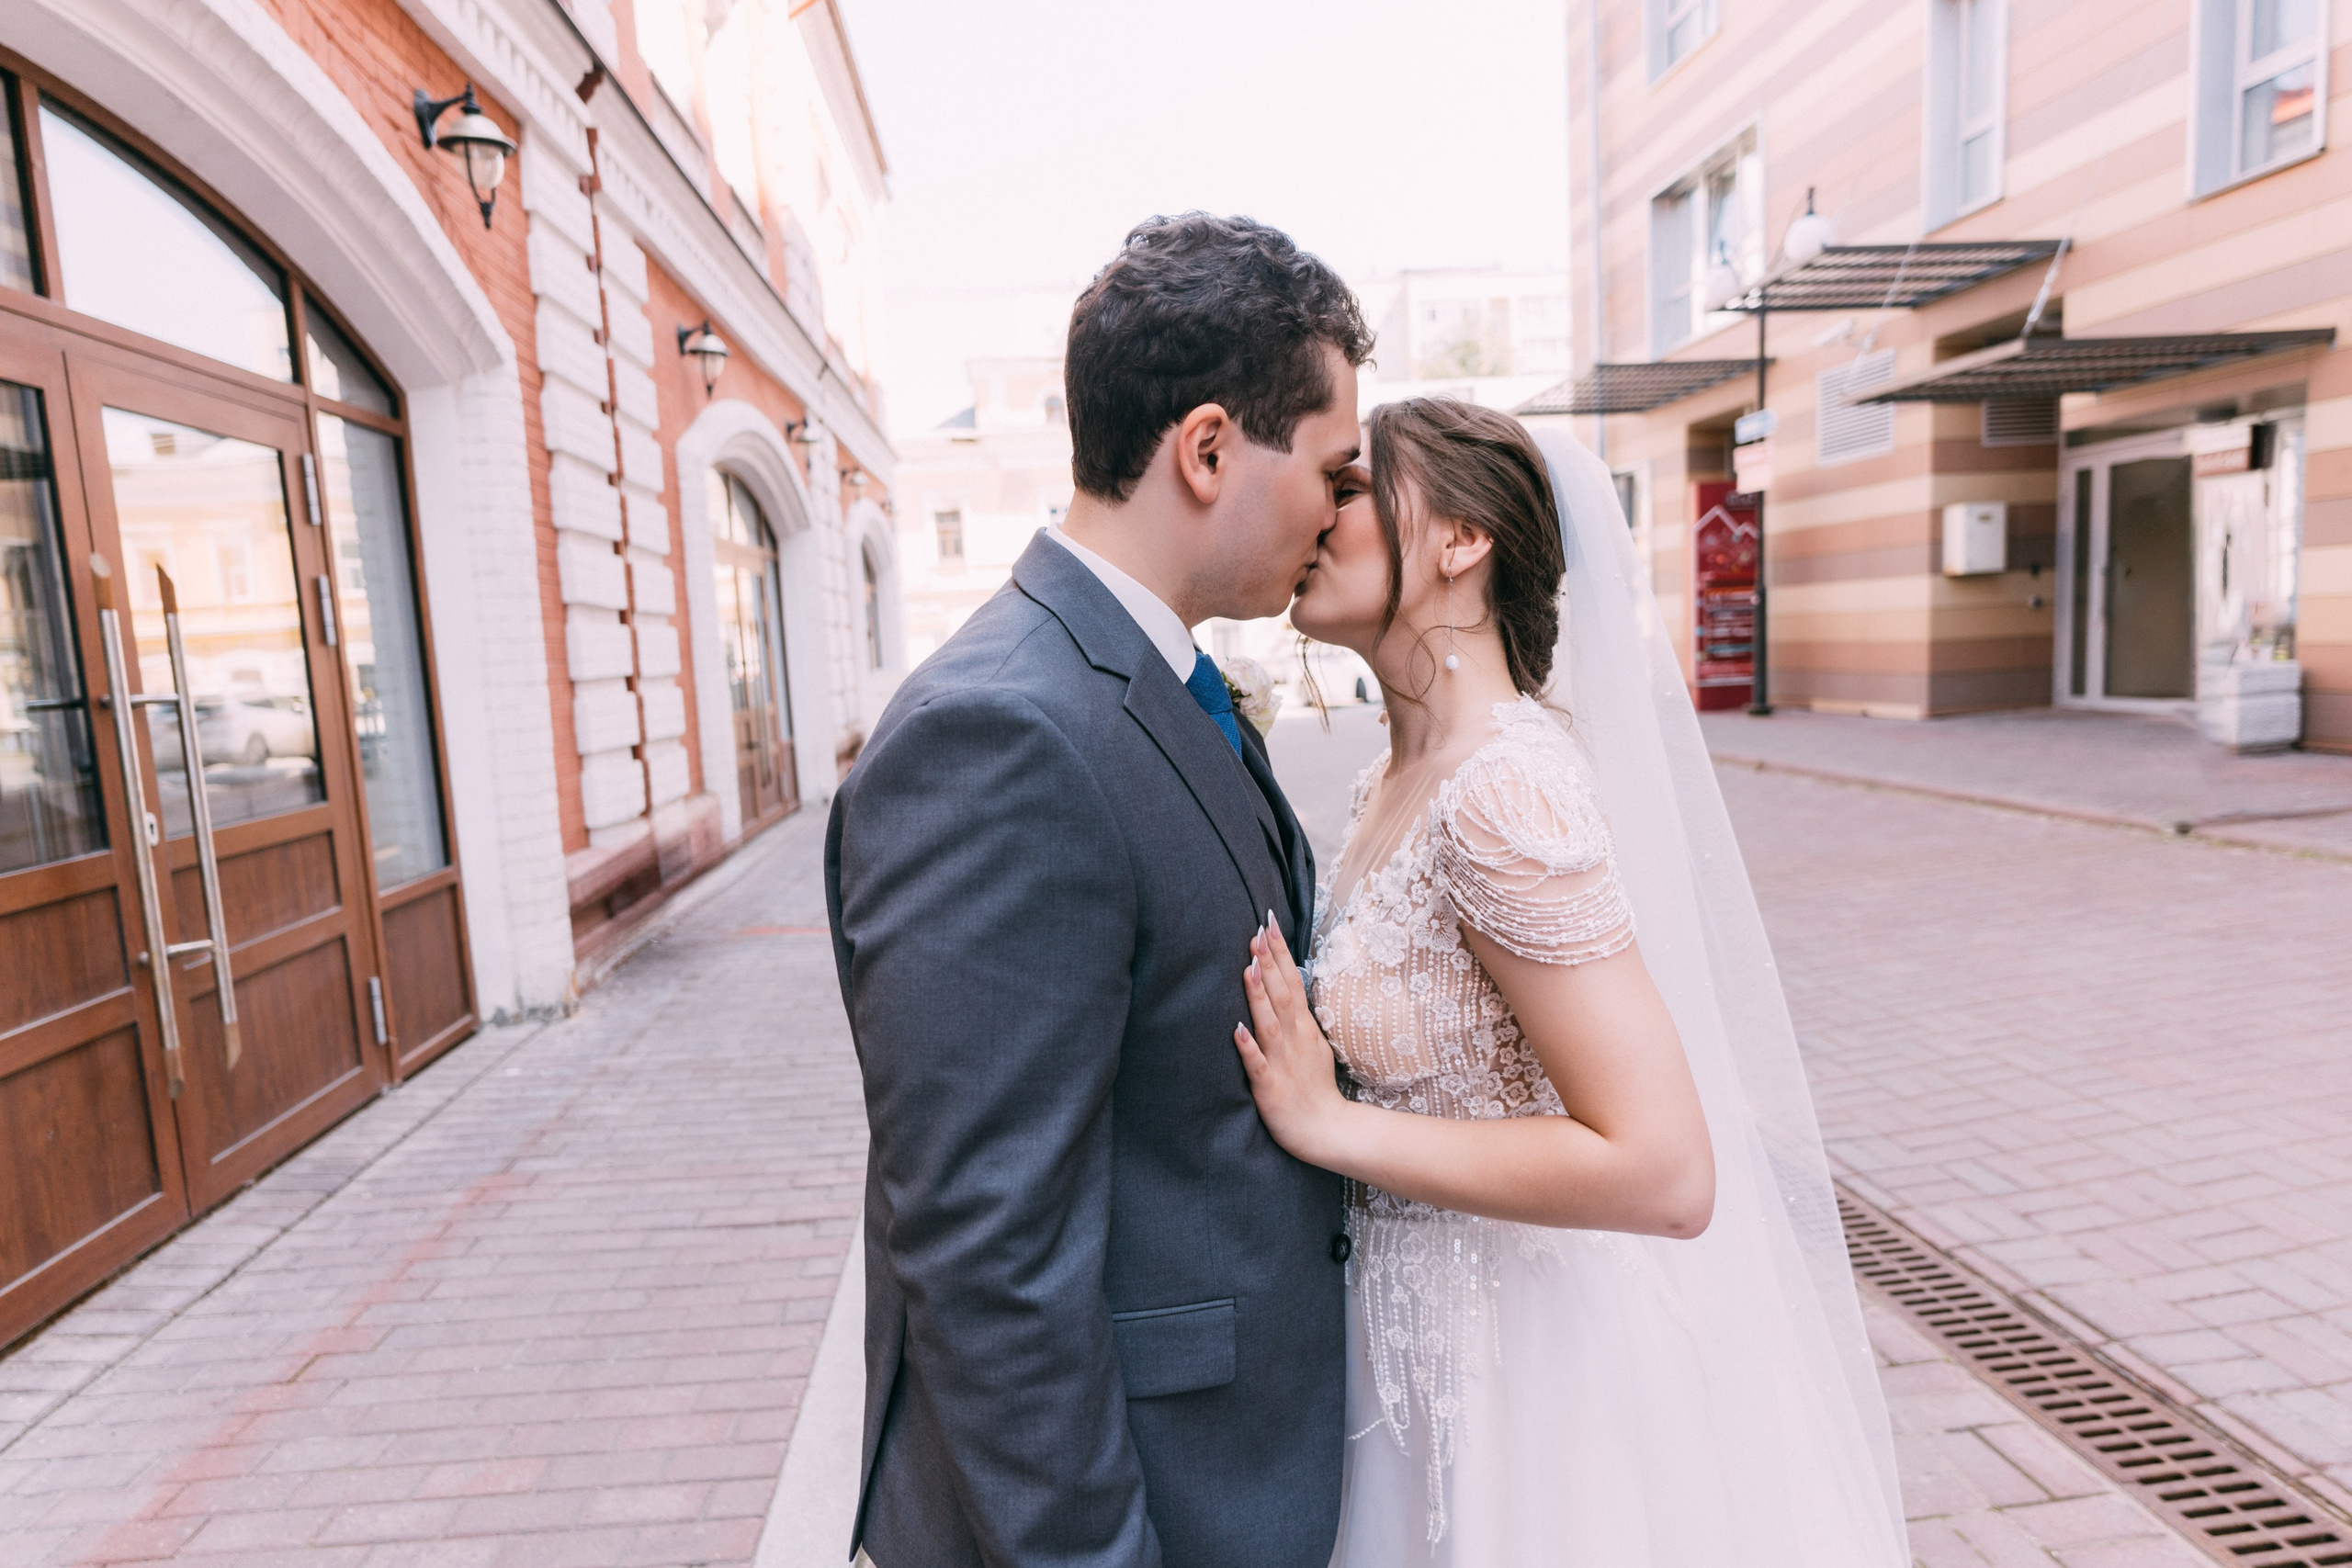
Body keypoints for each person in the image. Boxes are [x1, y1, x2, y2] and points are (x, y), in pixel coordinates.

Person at [1234, 399, 1911, 1566]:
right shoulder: (1388, 784)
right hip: (1404, 1370)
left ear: (1461, 540)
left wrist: (1332, 1126)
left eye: (1351, 488)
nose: (1317, 512)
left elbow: (1665, 1171)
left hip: (1526, 1386)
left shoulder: (1503, 788)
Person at [824, 213, 1373, 1568]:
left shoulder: (1146, 677)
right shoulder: (999, 735)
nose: (1339, 509)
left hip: (1237, 1462)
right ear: (1208, 450)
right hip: (1140, 1503)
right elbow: (989, 1255)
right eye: (1331, 468)